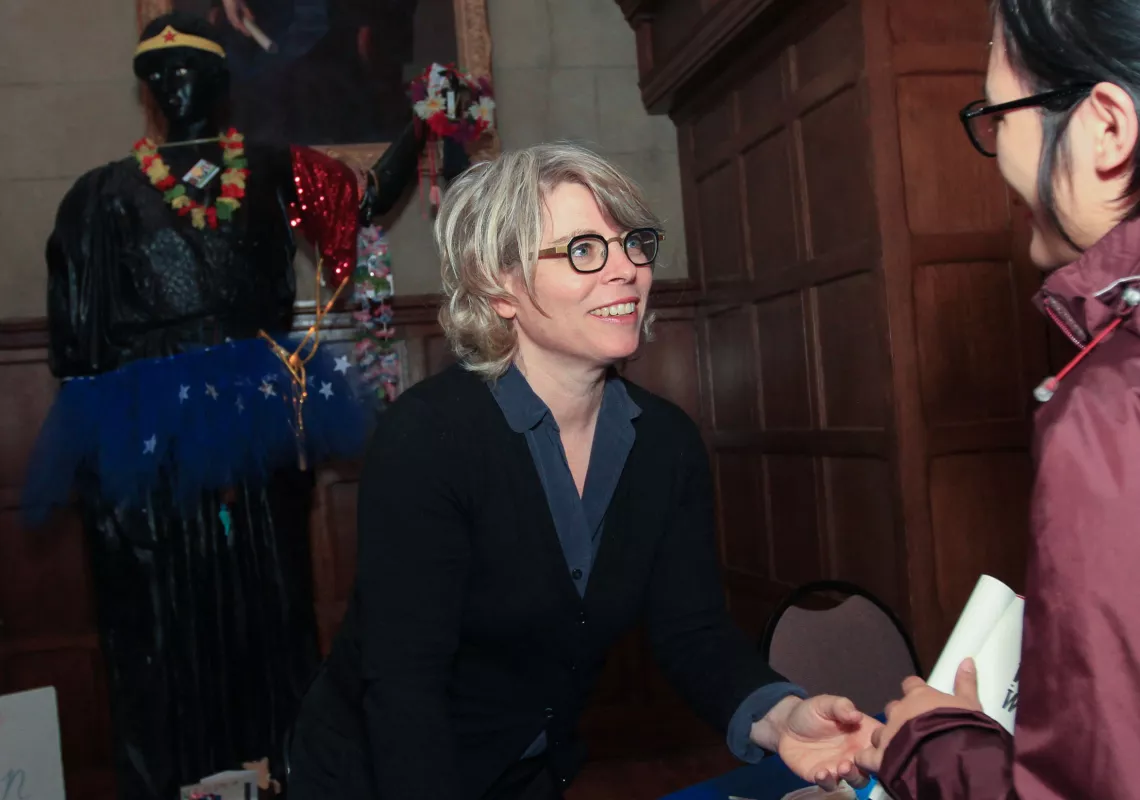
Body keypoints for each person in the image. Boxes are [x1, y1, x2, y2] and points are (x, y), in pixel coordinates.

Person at [286, 142, 880, 800]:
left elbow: (695, 632)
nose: (626, 269)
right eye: (583, 250)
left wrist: (780, 716)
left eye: (633, 243)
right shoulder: (428, 439)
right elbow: (404, 686)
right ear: (501, 286)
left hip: (531, 774)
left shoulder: (666, 443)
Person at [21, 12, 457, 799]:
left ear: (222, 80)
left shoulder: (273, 171)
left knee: (272, 598)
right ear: (145, 88)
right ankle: (171, 781)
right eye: (158, 74)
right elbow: (75, 348)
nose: (173, 84)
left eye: (189, 69)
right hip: (147, 434)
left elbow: (361, 206)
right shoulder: (100, 199)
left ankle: (283, 771)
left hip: (255, 419)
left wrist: (424, 124)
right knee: (156, 615)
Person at [855, 1, 1140, 796]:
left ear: (1107, 129)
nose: (992, 152)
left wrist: (929, 739)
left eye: (998, 115)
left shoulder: (1113, 403)